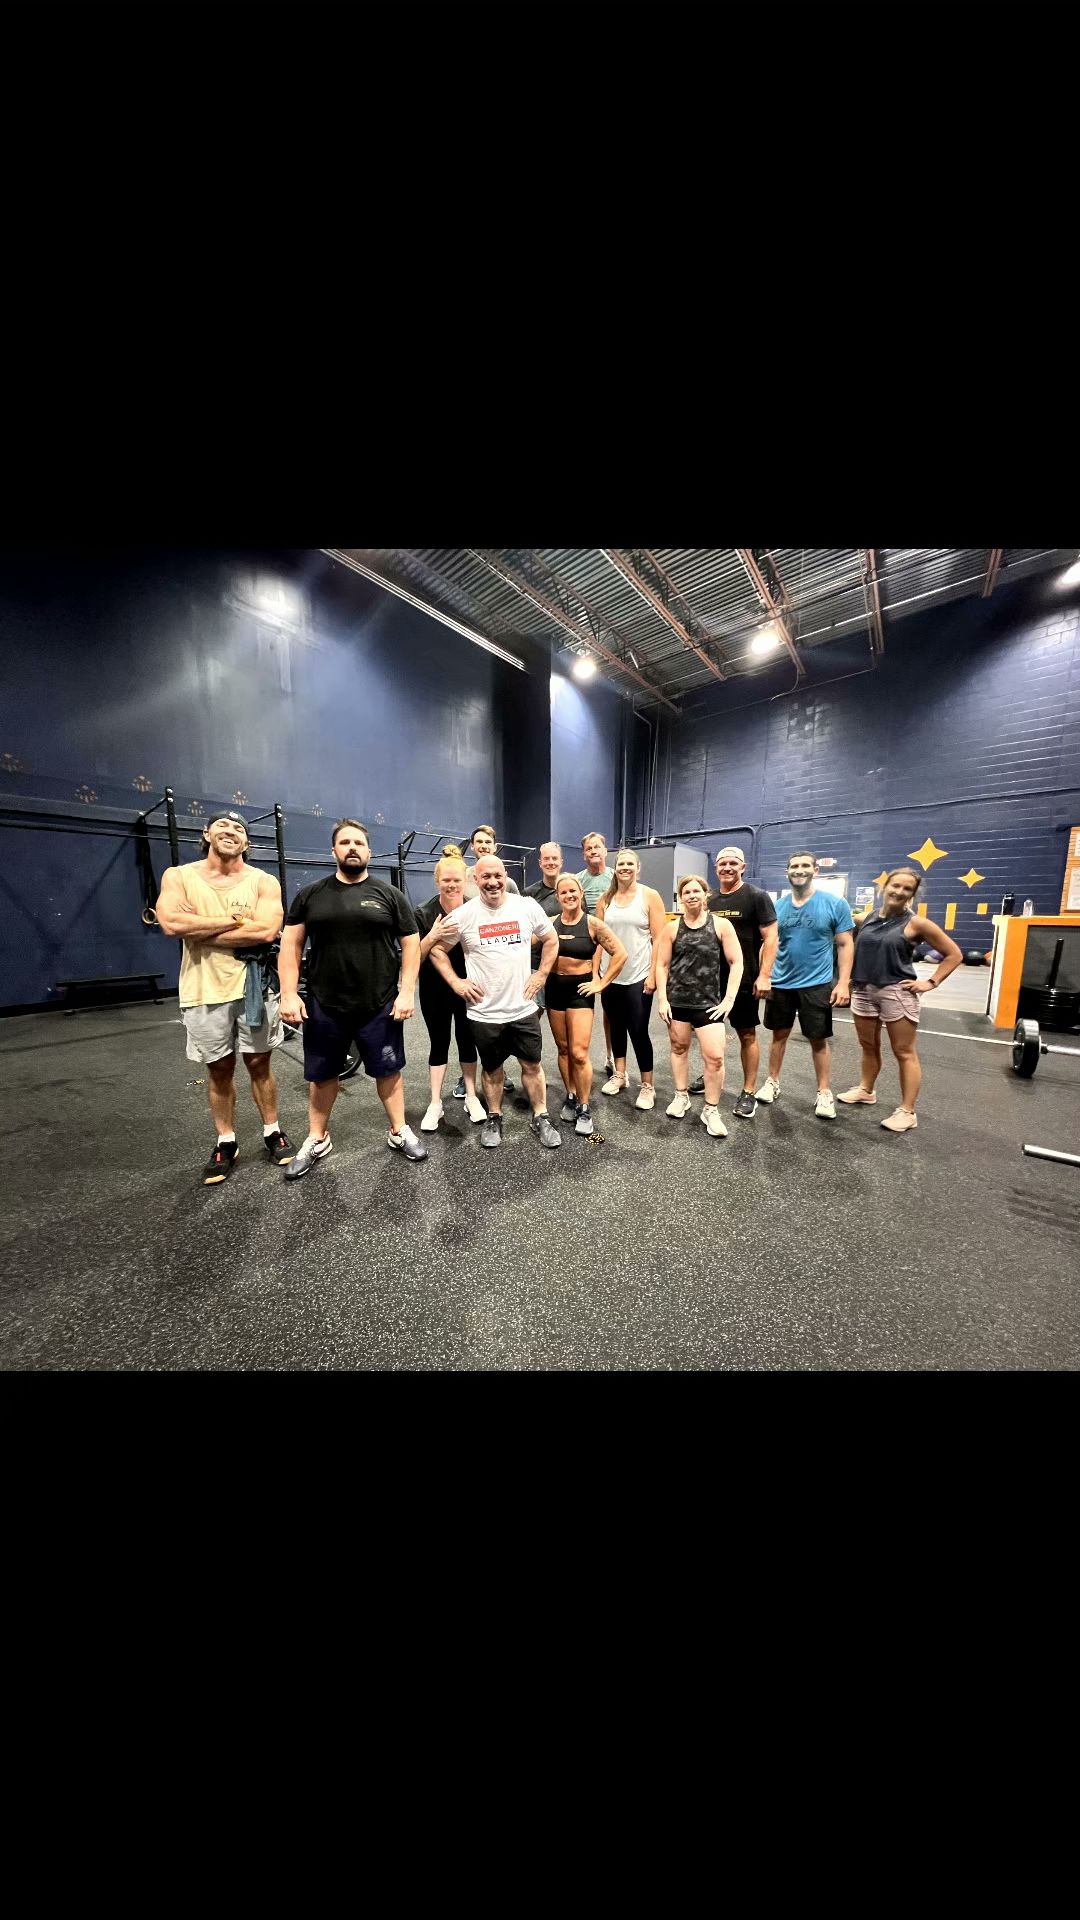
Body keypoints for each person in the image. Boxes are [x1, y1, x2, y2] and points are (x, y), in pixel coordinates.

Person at [277, 818, 426, 1177]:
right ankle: (317, 1137)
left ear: (369, 852)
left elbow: (411, 944)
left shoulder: (389, 895)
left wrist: (407, 991)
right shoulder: (311, 895)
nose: (352, 848)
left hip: (380, 1003)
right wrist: (288, 994)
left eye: (359, 843)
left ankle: (398, 1130)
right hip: (325, 1003)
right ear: (334, 851)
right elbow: (291, 945)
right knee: (322, 1075)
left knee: (388, 1071)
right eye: (345, 843)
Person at [156, 810, 295, 1183]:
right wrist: (237, 922)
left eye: (239, 828)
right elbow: (170, 923)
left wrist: (198, 927)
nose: (231, 831)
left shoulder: (262, 881)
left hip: (254, 987)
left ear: (246, 842)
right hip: (203, 987)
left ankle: (272, 1131)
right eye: (222, 825)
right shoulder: (179, 876)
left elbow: (266, 931)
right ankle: (226, 1140)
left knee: (259, 1064)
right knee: (218, 1068)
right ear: (206, 834)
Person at [428, 855, 562, 1150]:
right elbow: (437, 950)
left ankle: (540, 1115)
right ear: (476, 880)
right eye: (485, 877)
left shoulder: (526, 906)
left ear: (505, 876)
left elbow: (551, 939)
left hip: (522, 1008)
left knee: (532, 1065)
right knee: (491, 1069)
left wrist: (541, 974)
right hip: (484, 1013)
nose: (493, 882)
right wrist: (456, 982)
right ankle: (494, 1116)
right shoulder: (464, 914)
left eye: (498, 875)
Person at [838, 865, 962, 1131]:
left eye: (907, 889)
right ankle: (866, 1090)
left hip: (896, 992)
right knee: (868, 1045)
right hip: (863, 989)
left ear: (913, 895)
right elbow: (839, 924)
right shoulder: (867, 918)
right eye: (896, 885)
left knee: (904, 1052)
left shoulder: (917, 923)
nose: (900, 891)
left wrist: (930, 982)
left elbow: (954, 954)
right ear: (884, 888)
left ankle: (907, 1111)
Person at [758, 852, 854, 1118]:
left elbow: (845, 944)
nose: (799, 870)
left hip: (816, 983)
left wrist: (843, 983)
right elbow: (770, 943)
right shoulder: (778, 907)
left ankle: (824, 1092)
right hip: (781, 982)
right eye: (794, 866)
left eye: (804, 866)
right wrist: (764, 975)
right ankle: (772, 1082)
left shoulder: (835, 904)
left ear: (815, 870)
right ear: (787, 872)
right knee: (778, 1035)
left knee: (818, 1039)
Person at [687, 845, 778, 1119]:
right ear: (716, 868)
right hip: (709, 982)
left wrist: (765, 975)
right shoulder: (709, 899)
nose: (727, 868)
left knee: (746, 1034)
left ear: (742, 867)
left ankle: (748, 1091)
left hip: (743, 979)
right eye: (722, 863)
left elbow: (771, 938)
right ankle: (710, 1074)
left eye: (733, 863)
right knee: (708, 1033)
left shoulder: (756, 897)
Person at [654, 874, 744, 1137]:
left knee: (715, 1058)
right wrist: (663, 999)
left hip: (709, 1004)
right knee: (678, 1048)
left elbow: (736, 962)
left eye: (696, 891)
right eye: (686, 892)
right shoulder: (672, 928)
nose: (691, 895)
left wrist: (729, 1000)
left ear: (705, 895)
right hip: (678, 1002)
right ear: (680, 898)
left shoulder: (721, 925)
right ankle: (681, 1096)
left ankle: (711, 1110)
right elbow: (662, 965)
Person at [546, 873, 626, 1135]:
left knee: (579, 1053)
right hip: (554, 990)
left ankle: (584, 1106)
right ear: (558, 896)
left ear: (580, 894)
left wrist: (601, 983)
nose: (569, 895)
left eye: (573, 891)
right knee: (563, 1049)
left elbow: (620, 953)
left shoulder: (593, 924)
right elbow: (525, 943)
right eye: (563, 892)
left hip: (580, 992)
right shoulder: (550, 924)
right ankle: (570, 1095)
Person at [414, 853, 488, 1130]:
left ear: (465, 880)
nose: (452, 885)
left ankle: (471, 1096)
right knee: (439, 1042)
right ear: (437, 881)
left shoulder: (475, 909)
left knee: (468, 1041)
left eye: (457, 880)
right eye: (446, 880)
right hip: (434, 989)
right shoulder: (423, 913)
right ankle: (435, 1103)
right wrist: (432, 936)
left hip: (468, 987)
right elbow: (414, 958)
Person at [593, 848, 666, 1110]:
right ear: (615, 868)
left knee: (638, 1030)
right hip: (610, 975)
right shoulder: (605, 899)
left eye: (630, 864)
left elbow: (659, 939)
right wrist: (596, 972)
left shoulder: (650, 896)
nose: (625, 867)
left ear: (638, 868)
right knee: (616, 1026)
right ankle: (620, 1075)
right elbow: (599, 938)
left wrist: (653, 974)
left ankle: (647, 1086)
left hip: (638, 974)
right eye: (621, 863)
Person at [575, 832, 617, 1076]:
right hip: (585, 948)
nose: (593, 851)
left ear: (605, 851)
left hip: (610, 947)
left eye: (597, 847)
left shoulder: (615, 878)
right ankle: (579, 1057)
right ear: (584, 854)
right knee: (582, 1005)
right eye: (589, 848)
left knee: (610, 1008)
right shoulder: (578, 881)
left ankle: (611, 1056)